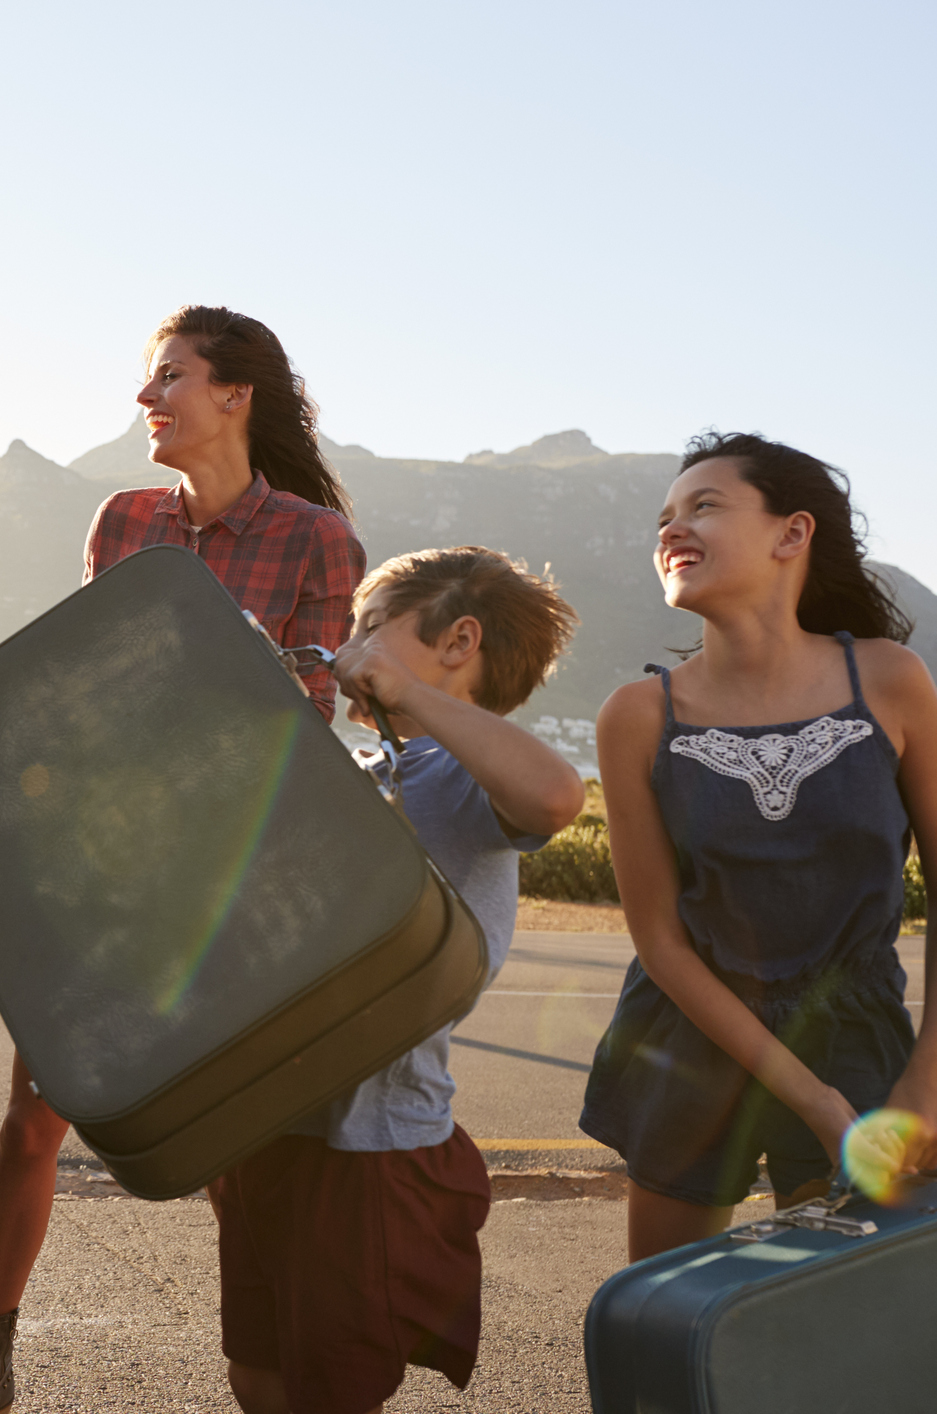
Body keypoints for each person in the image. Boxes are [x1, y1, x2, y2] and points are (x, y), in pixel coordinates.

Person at [0, 306, 365, 1414]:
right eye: (148, 378)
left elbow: (310, 719)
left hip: (229, 885)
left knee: (225, 1147)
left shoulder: (313, 537)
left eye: (169, 377)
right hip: (105, 872)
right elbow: (82, 683)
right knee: (35, 1114)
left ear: (234, 395)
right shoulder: (120, 522)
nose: (146, 398)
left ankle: (271, 1361)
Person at [212, 547, 583, 1414]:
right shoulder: (370, 770)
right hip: (272, 1123)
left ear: (459, 639)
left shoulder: (449, 776)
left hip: (368, 1149)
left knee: (331, 1387)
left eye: (371, 629)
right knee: (257, 1372)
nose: (349, 650)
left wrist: (406, 694)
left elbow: (555, 797)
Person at [578, 432, 937, 1262]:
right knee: (664, 1315)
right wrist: (808, 1098)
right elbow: (660, 942)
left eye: (703, 505)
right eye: (663, 516)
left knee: (843, 1331)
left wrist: (920, 1092)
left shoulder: (888, 680)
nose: (671, 528)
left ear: (791, 534)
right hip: (688, 1040)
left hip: (857, 1037)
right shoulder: (633, 715)